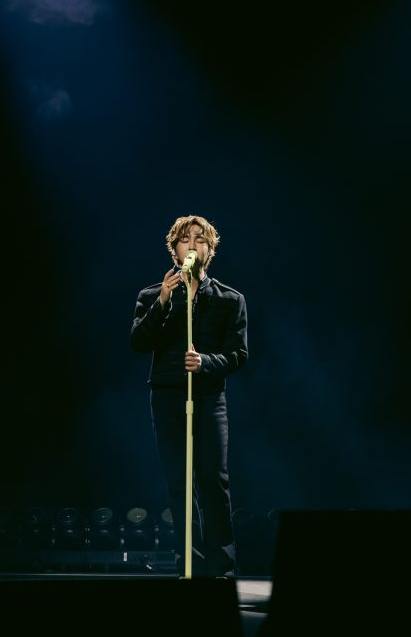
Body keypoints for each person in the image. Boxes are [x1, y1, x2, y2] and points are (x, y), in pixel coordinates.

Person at [130, 215, 248, 579]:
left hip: (209, 398)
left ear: (210, 250)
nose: (192, 245)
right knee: (180, 484)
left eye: (200, 239)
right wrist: (163, 303)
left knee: (214, 481)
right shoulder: (152, 295)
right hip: (167, 397)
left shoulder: (230, 299)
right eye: (185, 239)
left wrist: (206, 362)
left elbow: (239, 353)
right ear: (174, 249)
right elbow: (139, 342)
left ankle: (222, 570)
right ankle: (190, 568)